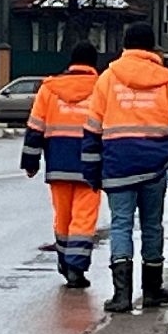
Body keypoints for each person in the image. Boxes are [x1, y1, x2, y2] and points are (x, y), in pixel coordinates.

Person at [82, 22, 168, 314]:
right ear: (152, 47)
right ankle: (152, 290)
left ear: (125, 44)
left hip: (117, 161)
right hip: (155, 163)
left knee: (121, 224)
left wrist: (92, 168)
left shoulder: (108, 78)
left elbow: (93, 126)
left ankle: (121, 294)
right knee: (151, 225)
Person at [21, 42, 103, 289]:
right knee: (84, 218)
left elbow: (35, 128)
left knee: (63, 216)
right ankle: (76, 267)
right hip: (91, 165)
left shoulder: (50, 89)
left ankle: (64, 261)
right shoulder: (102, 88)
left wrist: (30, 162)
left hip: (57, 163)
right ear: (94, 63)